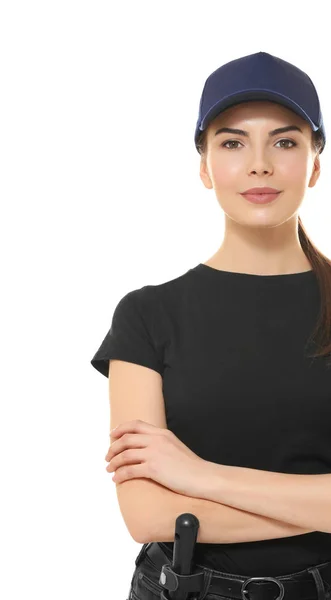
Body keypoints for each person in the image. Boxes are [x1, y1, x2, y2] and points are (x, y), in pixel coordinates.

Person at [91, 51, 331, 600]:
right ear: (204, 167)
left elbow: (178, 501)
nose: (260, 164)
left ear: (315, 165)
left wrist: (201, 478)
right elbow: (148, 515)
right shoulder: (146, 314)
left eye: (286, 141)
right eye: (232, 142)